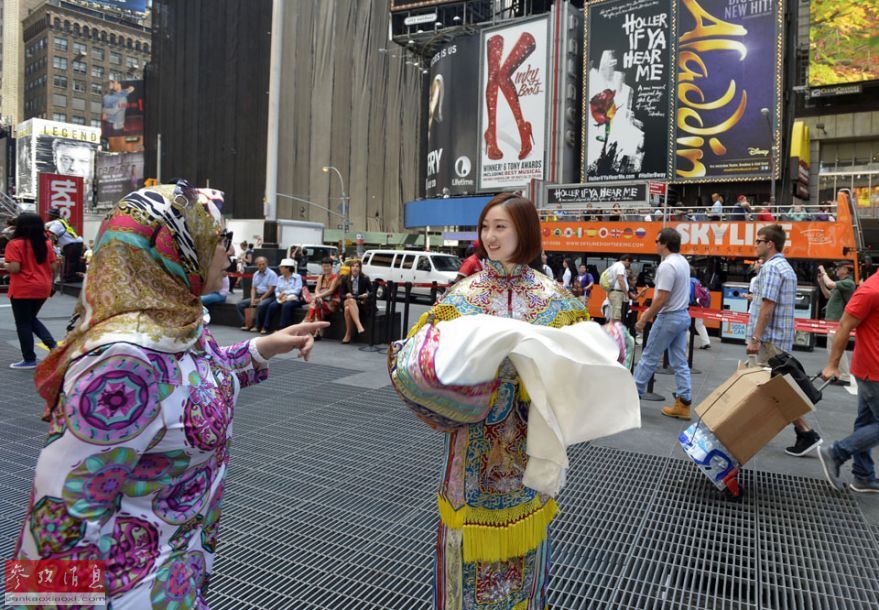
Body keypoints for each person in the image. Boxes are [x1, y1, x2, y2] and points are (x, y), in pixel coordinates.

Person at [14, 182, 328, 606]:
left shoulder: (175, 325)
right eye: (218, 239)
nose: (226, 252)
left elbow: (192, 380)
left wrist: (265, 347)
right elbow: (59, 521)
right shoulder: (122, 362)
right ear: (177, 249)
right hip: (130, 592)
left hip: (178, 576)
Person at [388, 192, 634, 609]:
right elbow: (420, 351)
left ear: (525, 231)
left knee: (527, 549)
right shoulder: (461, 296)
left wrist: (610, 342)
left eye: (500, 227)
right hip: (472, 444)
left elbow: (596, 353)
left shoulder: (554, 298)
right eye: (486, 227)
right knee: (463, 547)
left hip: (528, 442)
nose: (490, 236)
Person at [746, 224, 821, 456]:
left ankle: (806, 432)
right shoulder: (785, 267)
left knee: (774, 391)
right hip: (778, 339)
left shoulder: (771, 268)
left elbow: (767, 306)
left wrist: (755, 338)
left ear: (770, 244)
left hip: (769, 341)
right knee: (772, 389)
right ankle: (799, 431)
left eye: (759, 241)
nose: (755, 245)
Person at [817, 270, 879, 493]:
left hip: (871, 370)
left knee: (866, 422)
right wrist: (833, 365)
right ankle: (836, 453)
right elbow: (844, 325)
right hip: (874, 371)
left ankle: (863, 475)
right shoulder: (871, 290)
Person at [634, 228, 693, 418]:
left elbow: (661, 298)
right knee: (680, 362)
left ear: (665, 243)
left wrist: (644, 318)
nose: (655, 244)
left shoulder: (667, 266)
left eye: (657, 241)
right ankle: (684, 403)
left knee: (649, 357)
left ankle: (631, 399)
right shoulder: (682, 262)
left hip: (668, 317)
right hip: (683, 315)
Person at [1, 213, 59, 369]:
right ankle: (53, 346)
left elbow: (15, 268)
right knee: (30, 319)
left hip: (23, 288)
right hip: (43, 287)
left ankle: (29, 359)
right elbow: (53, 267)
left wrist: (4, 264)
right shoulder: (46, 243)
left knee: (23, 323)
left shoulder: (14, 244)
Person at [818, 261, 856, 385]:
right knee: (832, 347)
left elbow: (830, 283)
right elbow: (828, 295)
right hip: (833, 321)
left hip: (838, 320)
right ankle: (835, 373)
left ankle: (844, 376)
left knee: (837, 348)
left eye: (839, 268)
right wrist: (821, 283)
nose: (836, 270)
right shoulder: (841, 284)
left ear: (846, 270)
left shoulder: (848, 283)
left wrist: (823, 271)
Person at [236, 256, 277, 333]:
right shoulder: (256, 274)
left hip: (269, 296)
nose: (261, 266)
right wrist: (252, 300)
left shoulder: (272, 274)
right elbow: (253, 288)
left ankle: (257, 326)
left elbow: (271, 289)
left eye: (263, 264)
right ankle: (247, 323)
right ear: (257, 265)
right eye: (259, 264)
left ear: (266, 264)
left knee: (261, 305)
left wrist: (261, 299)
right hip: (258, 295)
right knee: (240, 304)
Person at [45, 207, 85, 282]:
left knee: (71, 262)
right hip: (74, 243)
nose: (48, 216)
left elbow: (50, 234)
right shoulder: (60, 221)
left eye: (49, 214)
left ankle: (69, 278)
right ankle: (68, 277)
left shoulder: (57, 223)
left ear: (53, 216)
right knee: (70, 261)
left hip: (73, 244)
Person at [305, 257, 340, 338]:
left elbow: (331, 291)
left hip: (331, 303)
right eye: (324, 266)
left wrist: (319, 296)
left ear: (332, 266)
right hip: (321, 301)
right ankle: (317, 331)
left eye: (328, 266)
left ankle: (310, 326)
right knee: (316, 304)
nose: (326, 268)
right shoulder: (321, 277)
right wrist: (319, 297)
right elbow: (316, 289)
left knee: (314, 304)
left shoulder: (335, 278)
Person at [267, 257, 304, 332]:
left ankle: (282, 327)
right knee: (272, 306)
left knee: (286, 306)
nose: (280, 269)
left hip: (293, 299)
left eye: (281, 267)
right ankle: (266, 326)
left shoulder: (297, 277)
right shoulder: (280, 278)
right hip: (281, 298)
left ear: (287, 268)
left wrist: (284, 293)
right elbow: (277, 290)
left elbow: (297, 290)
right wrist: (278, 295)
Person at [339, 259, 372, 344]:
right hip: (347, 300)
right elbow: (341, 295)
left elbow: (373, 292)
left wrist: (366, 295)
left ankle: (348, 334)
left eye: (357, 266)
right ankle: (359, 326)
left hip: (359, 302)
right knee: (350, 300)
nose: (355, 268)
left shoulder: (365, 278)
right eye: (353, 266)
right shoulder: (345, 278)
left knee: (347, 309)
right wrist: (346, 295)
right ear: (350, 268)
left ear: (360, 268)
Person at [691, 268, 712, 349]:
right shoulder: (699, 282)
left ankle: (685, 342)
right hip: (700, 305)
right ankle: (706, 342)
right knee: (699, 324)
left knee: (684, 324)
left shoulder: (691, 282)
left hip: (693, 306)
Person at [606, 254, 632, 322]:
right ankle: (616, 328)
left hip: (613, 292)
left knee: (613, 314)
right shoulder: (620, 266)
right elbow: (620, 280)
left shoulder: (614, 265)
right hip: (617, 293)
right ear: (627, 260)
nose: (628, 265)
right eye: (629, 263)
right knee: (617, 316)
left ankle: (612, 328)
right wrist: (626, 293)